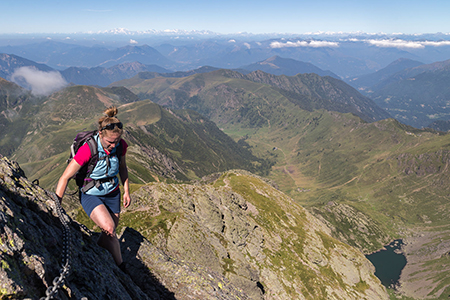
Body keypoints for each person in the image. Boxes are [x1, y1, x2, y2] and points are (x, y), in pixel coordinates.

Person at [55, 106, 131, 270]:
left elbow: (123, 168)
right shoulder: (88, 149)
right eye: (110, 142)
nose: (113, 146)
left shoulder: (121, 146)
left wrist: (126, 190)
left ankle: (94, 251)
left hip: (113, 193)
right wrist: (56, 206)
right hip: (90, 194)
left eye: (116, 142)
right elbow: (65, 177)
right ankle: (122, 268)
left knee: (108, 232)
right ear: (101, 134)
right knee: (110, 229)